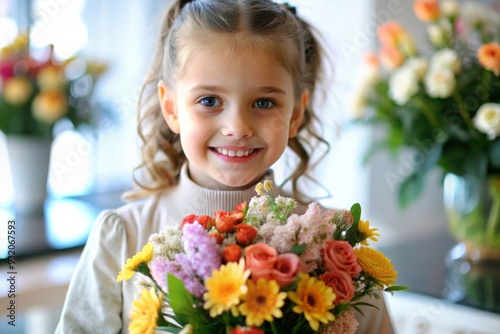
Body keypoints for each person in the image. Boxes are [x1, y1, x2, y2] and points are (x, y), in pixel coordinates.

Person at [56, 0, 394, 333]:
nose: (237, 127)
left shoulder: (335, 244)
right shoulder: (123, 237)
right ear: (171, 108)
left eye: (264, 102)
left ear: (295, 113)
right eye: (209, 101)